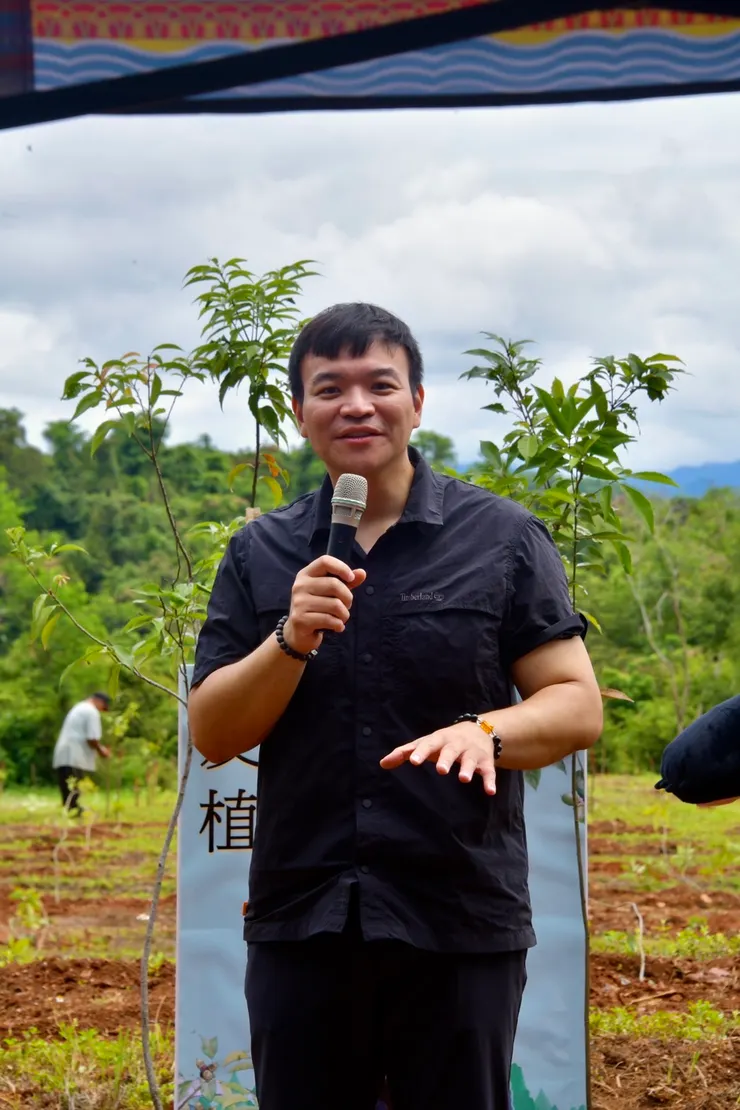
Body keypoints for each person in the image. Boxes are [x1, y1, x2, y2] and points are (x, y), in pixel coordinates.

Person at [188, 303, 604, 1110]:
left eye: (381, 384)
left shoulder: (504, 537)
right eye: (328, 387)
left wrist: (487, 730)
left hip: (456, 918)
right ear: (298, 411)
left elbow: (575, 704)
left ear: (417, 402)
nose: (356, 405)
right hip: (301, 922)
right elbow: (214, 731)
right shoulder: (260, 551)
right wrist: (289, 639)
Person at [52, 692, 111, 814]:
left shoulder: (79, 707)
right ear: (99, 702)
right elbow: (92, 738)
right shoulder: (91, 711)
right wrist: (102, 751)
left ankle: (71, 809)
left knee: (67, 783)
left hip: (66, 751)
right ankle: (73, 810)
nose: (101, 710)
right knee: (74, 783)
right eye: (103, 707)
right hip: (74, 753)